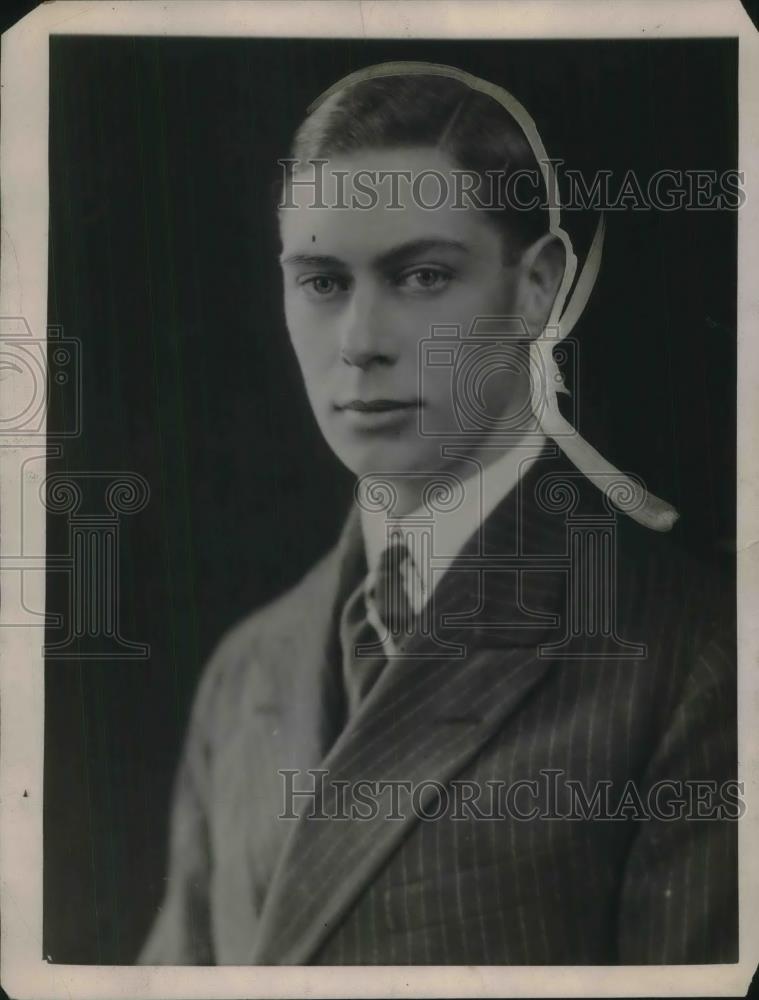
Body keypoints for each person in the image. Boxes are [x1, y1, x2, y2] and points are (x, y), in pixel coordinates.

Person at [138, 63, 737, 966]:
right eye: (321, 282)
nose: (361, 343)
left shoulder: (692, 659)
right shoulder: (247, 669)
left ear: (535, 288)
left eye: (420, 275)